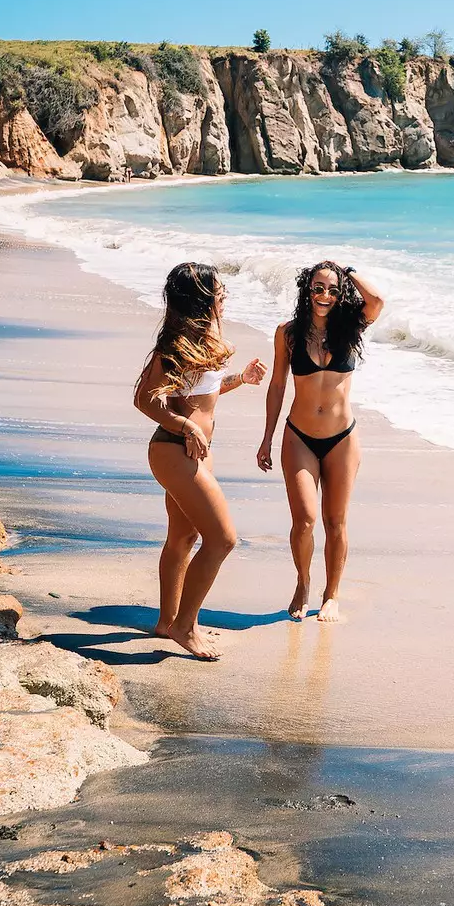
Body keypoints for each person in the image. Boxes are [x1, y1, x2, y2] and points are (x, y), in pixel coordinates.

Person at [133, 262, 265, 660]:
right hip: (174, 449)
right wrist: (186, 426)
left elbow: (202, 394)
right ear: (201, 299)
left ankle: (167, 621)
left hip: (193, 452)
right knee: (223, 539)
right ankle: (185, 626)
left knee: (183, 537)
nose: (224, 298)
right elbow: (144, 400)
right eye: (220, 292)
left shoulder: (203, 340)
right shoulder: (173, 346)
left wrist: (240, 379)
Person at [257, 261, 384, 623]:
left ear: (341, 293)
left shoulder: (351, 326)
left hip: (342, 439)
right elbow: (277, 385)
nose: (324, 295)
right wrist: (266, 438)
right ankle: (303, 581)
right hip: (299, 436)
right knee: (305, 520)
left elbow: (376, 301)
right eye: (317, 288)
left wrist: (347, 271)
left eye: (332, 289)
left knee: (336, 521)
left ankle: (331, 595)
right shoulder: (288, 333)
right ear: (307, 290)